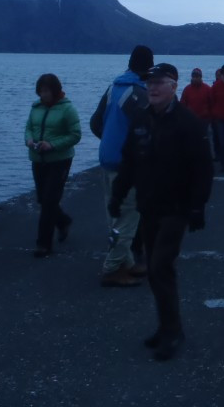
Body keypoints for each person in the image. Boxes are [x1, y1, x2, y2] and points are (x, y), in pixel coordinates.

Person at [109, 63, 213, 362]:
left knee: (159, 266)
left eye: (159, 83)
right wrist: (117, 195)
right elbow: (129, 160)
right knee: (156, 272)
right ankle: (167, 327)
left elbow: (203, 169)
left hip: (176, 208)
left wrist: (197, 207)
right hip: (149, 207)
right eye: (149, 83)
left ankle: (173, 332)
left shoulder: (188, 123)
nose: (152, 88)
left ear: (174, 86)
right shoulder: (141, 119)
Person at [91, 44, 154, 287]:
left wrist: (109, 141)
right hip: (126, 164)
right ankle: (112, 268)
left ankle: (126, 262)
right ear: (149, 68)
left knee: (114, 214)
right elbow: (149, 132)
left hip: (106, 158)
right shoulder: (138, 94)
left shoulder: (113, 88)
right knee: (128, 217)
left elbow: (95, 123)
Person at [24, 73, 81, 258]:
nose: (43, 94)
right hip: (38, 159)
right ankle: (63, 221)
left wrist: (53, 145)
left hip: (60, 160)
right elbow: (29, 128)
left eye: (46, 91)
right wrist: (29, 140)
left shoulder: (67, 109)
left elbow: (75, 135)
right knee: (42, 199)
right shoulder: (36, 107)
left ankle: (43, 244)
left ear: (55, 90)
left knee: (49, 200)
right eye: (40, 91)